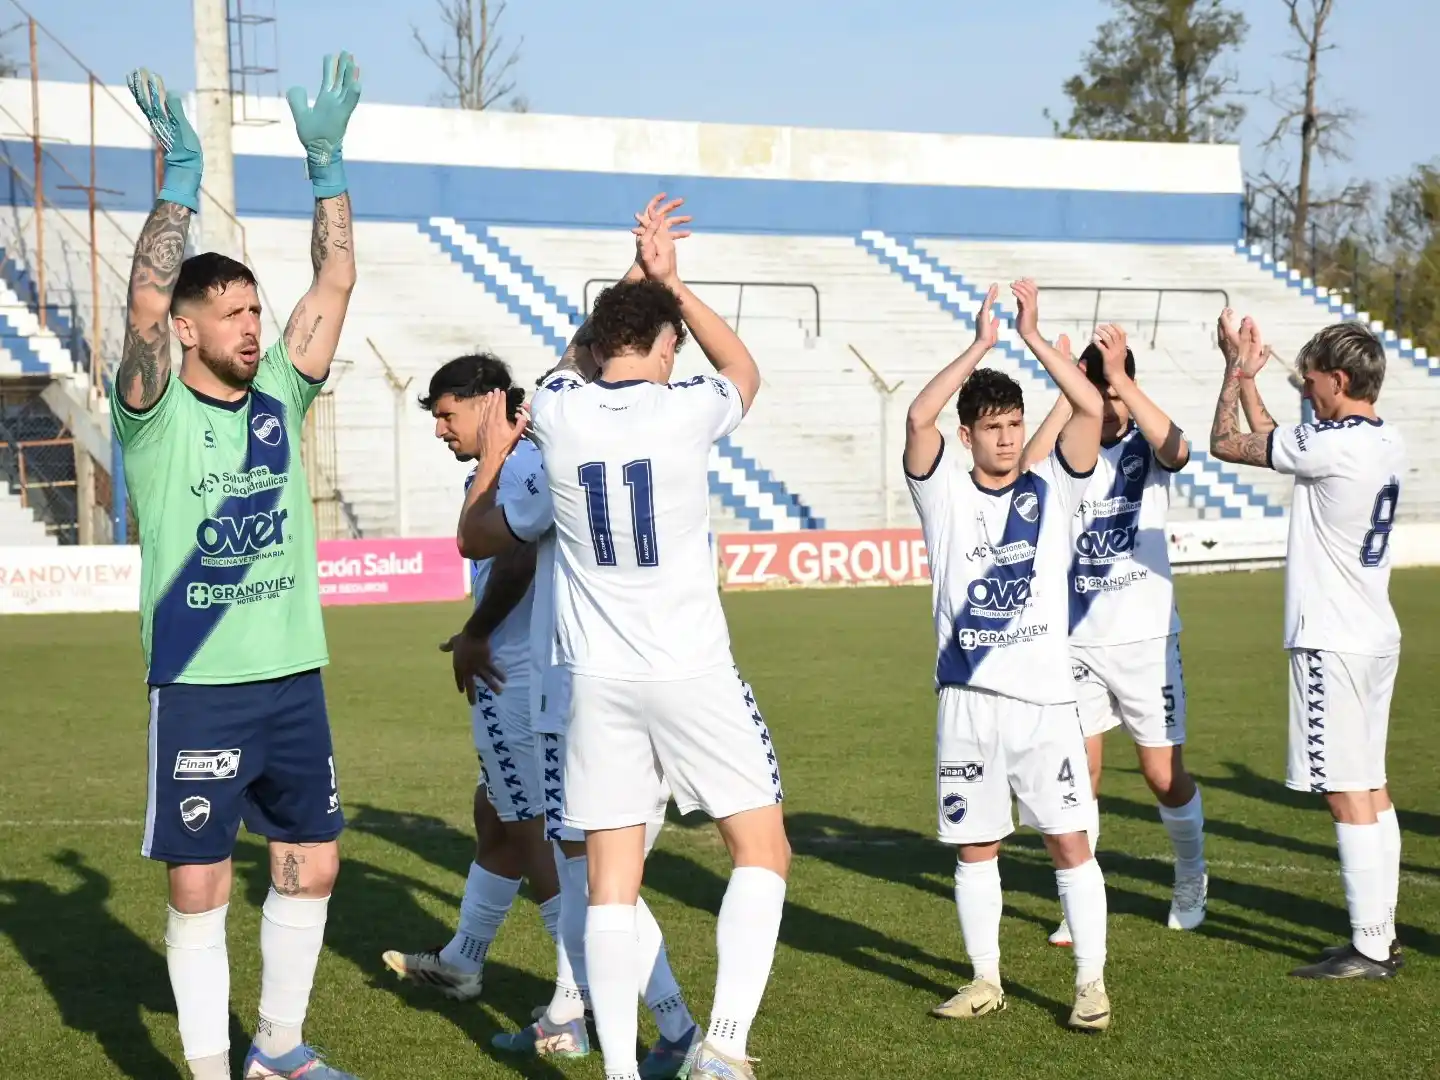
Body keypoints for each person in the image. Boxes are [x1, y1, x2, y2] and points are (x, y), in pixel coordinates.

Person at [496, 200, 790, 1080]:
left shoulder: (556, 405)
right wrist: (673, 285)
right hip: (691, 667)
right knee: (761, 847)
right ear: (666, 349)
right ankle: (724, 1048)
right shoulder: (686, 406)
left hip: (595, 681)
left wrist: (632, 287)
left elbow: (570, 358)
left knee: (612, 882)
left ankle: (622, 1073)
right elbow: (744, 366)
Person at [116, 56, 361, 1079]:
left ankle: (278, 1048)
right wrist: (177, 181)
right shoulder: (156, 414)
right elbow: (136, 310)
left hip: (293, 676)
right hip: (202, 683)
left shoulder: (281, 397)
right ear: (187, 328)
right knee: (200, 885)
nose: (255, 326)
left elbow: (337, 279)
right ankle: (211, 1067)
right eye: (233, 314)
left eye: (258, 312)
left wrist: (326, 166)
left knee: (311, 865)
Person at [455, 196, 704, 1078]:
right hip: (646, 678)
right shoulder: (628, 429)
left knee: (594, 873)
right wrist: (643, 278)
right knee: (590, 868)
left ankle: (667, 1027)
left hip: (584, 687)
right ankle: (588, 1012)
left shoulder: (563, 434)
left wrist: (495, 449)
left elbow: (478, 537)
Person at [905, 280, 1112, 1032]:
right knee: (974, 847)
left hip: (1044, 705)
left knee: (1067, 841)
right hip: (965, 699)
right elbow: (917, 416)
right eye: (991, 425)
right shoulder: (943, 496)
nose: (1005, 437)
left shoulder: (1051, 487)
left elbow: (1089, 409)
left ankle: (1090, 984)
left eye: (1014, 424)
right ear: (969, 435)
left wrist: (1031, 340)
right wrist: (980, 346)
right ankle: (985, 978)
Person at [1210, 312, 1405, 980]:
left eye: (1314, 379)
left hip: (1333, 638)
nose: (1309, 388)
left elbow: (1228, 441)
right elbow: (1278, 438)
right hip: (1374, 633)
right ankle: (1381, 931)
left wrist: (1236, 369)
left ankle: (1371, 945)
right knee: (1372, 786)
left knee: (1345, 790)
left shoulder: (1331, 446)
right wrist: (1255, 382)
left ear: (1340, 379)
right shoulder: (1379, 438)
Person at [381, 354, 563, 1004]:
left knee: (532, 826)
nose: (439, 430)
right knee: (495, 816)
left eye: (446, 415)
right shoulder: (529, 456)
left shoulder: (514, 462)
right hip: (529, 662)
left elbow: (515, 561)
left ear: (484, 401)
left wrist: (478, 634)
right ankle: (463, 958)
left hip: (512, 675)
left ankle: (583, 986)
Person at [1019, 327, 1208, 946]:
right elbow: (1022, 474)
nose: (1104, 411)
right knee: (1079, 774)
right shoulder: (1067, 452)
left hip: (1147, 640)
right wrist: (1066, 394)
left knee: (1161, 775)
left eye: (1112, 399)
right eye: (1094, 398)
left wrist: (1122, 379)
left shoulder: (1144, 449)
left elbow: (1180, 449)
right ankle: (1081, 900)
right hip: (1074, 641)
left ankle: (1191, 877)